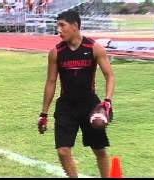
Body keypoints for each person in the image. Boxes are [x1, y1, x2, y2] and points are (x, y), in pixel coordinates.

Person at [37, 11, 115, 178]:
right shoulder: (56, 52)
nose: (58, 30)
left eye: (62, 25)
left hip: (90, 106)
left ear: (75, 26)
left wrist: (107, 102)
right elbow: (51, 82)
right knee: (63, 151)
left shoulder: (94, 48)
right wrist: (44, 113)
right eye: (57, 26)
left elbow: (109, 75)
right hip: (66, 106)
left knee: (99, 150)